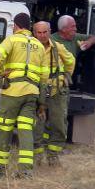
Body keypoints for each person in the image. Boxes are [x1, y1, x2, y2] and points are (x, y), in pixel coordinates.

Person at [0, 13, 46, 177]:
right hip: (32, 93)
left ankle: (0, 168)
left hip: (12, 92)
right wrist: (41, 101)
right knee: (26, 130)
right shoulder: (39, 45)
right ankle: (26, 171)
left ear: (16, 25)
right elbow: (44, 77)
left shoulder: (12, 40)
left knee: (5, 128)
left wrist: (1, 71)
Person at [32, 21, 75, 166]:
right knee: (37, 125)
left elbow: (70, 61)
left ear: (50, 32)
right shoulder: (31, 48)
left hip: (56, 91)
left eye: (45, 32)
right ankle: (37, 156)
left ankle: (53, 156)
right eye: (39, 32)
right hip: (37, 91)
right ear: (34, 33)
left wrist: (65, 78)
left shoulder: (58, 47)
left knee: (59, 124)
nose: (42, 35)